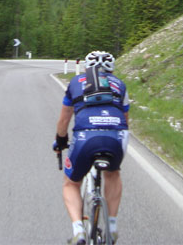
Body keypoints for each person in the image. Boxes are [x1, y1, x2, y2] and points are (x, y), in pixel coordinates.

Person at [53, 50, 130, 245]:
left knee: (71, 183)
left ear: (87, 68)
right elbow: (126, 121)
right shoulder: (120, 85)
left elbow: (64, 121)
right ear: (111, 69)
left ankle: (78, 231)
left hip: (85, 136)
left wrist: (60, 141)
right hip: (116, 135)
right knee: (113, 173)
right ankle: (112, 227)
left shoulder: (75, 82)